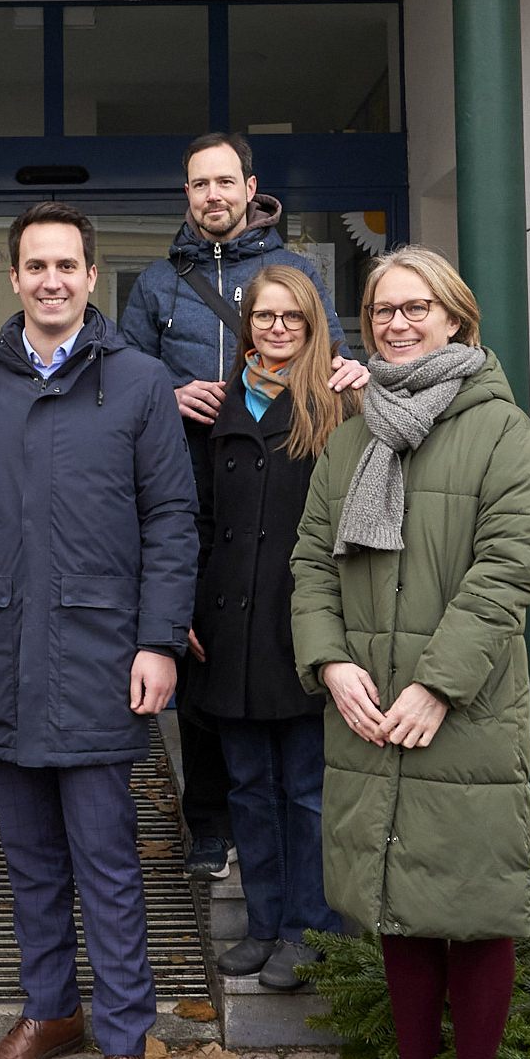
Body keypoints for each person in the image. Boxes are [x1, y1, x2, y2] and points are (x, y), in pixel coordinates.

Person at [0, 202, 198, 1059]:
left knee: (108, 860)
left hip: (100, 656)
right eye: (34, 266)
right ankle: (49, 1014)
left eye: (65, 266)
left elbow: (171, 520)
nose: (50, 280)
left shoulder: (141, 382)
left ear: (89, 275)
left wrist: (158, 640)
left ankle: (123, 1038)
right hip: (0, 650)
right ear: (13, 278)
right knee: (28, 860)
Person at [289, 246, 530, 1059]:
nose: (396, 325)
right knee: (398, 911)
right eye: (382, 313)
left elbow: (508, 568)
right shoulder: (351, 437)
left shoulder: (500, 429)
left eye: (415, 309)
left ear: (454, 319)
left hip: (462, 710)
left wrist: (437, 685)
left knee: (472, 912)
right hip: (367, 705)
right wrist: (329, 663)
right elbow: (310, 564)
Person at [119, 131, 366, 880]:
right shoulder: (157, 283)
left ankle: (290, 844)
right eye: (199, 184)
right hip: (189, 478)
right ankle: (206, 823)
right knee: (204, 659)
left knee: (278, 652)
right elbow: (124, 371)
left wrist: (352, 373)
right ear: (186, 194)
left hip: (281, 468)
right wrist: (166, 389)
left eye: (224, 181)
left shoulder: (290, 271)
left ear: (248, 186)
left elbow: (325, 349)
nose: (213, 195)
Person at [188, 265, 354, 993]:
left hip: (304, 625)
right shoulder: (214, 408)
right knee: (248, 786)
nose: (277, 329)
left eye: (292, 317)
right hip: (226, 627)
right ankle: (261, 925)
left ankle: (307, 929)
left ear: (313, 326)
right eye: (263, 317)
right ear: (245, 325)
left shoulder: (339, 406)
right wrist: (186, 610)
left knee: (307, 788)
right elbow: (189, 519)